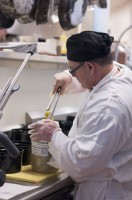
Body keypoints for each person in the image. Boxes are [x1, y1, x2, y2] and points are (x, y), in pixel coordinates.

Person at [29, 31, 132, 200]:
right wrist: (69, 76)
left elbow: (82, 162)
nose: (73, 74)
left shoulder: (108, 107)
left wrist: (53, 135)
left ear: (90, 66)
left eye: (73, 69)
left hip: (105, 192)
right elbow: (95, 82)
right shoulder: (122, 72)